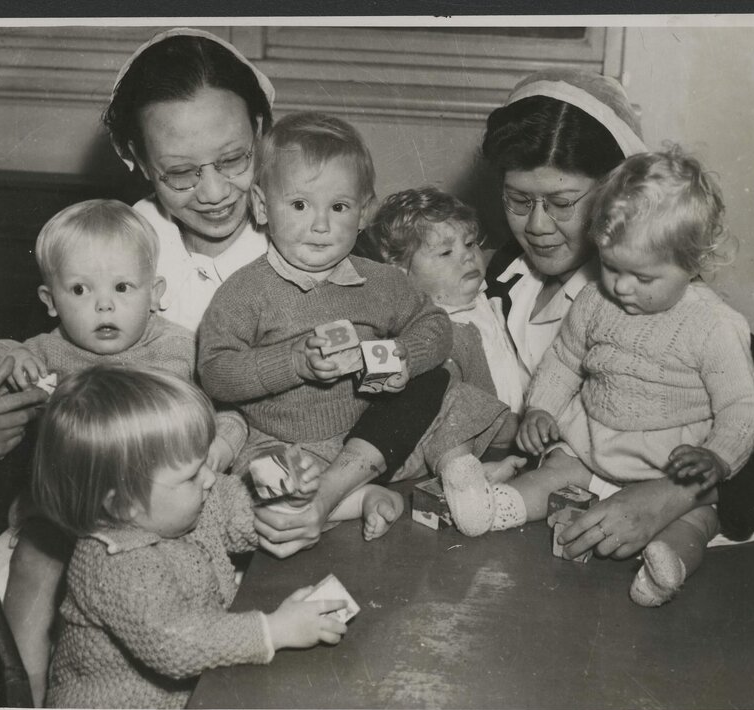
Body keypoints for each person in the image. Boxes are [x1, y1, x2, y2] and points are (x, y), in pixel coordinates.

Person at [103, 27, 450, 557]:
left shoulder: (315, 228)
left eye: (234, 160)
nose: (215, 193)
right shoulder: (118, 251)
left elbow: (414, 362)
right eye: (179, 173)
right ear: (139, 159)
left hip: (320, 470)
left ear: (262, 133)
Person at [481, 68, 754, 562]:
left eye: (561, 202)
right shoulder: (500, 274)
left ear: (612, 197)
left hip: (645, 532)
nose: (536, 226)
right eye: (517, 200)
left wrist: (672, 497)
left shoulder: (672, 308)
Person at [0, 198, 247, 705]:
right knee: (32, 569)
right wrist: (10, 357)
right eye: (79, 290)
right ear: (50, 301)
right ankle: (24, 697)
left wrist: (220, 447)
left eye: (122, 287)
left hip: (151, 520)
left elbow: (212, 413)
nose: (104, 305)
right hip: (62, 515)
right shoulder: (48, 350)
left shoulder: (174, 348)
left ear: (155, 293)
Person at [448, 148, 754, 606]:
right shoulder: (597, 300)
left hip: (668, 460)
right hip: (591, 440)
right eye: (612, 267)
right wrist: (542, 407)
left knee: (693, 523)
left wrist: (717, 457)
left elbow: (742, 405)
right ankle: (494, 507)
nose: (622, 287)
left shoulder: (714, 325)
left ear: (693, 262)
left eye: (643, 277)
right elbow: (565, 358)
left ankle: (666, 568)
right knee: (554, 470)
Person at [198, 112, 515, 529]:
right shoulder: (245, 292)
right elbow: (215, 372)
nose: (321, 224)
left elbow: (435, 325)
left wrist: (406, 355)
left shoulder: (380, 281)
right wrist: (292, 362)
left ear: (364, 212)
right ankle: (355, 500)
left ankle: (461, 473)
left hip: (376, 436)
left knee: (447, 389)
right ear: (261, 206)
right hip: (286, 443)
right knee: (262, 486)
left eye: (340, 206)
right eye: (298, 205)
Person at [36, 366, 349, 708]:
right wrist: (275, 630)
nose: (210, 478)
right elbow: (176, 644)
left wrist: (293, 500)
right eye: (190, 476)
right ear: (123, 503)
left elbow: (244, 513)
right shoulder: (113, 565)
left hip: (202, 687)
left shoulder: (179, 506)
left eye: (204, 463)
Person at [367, 186, 525, 416]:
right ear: (400, 272)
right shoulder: (417, 326)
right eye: (445, 253)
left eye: (470, 243)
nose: (468, 255)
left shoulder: (487, 294)